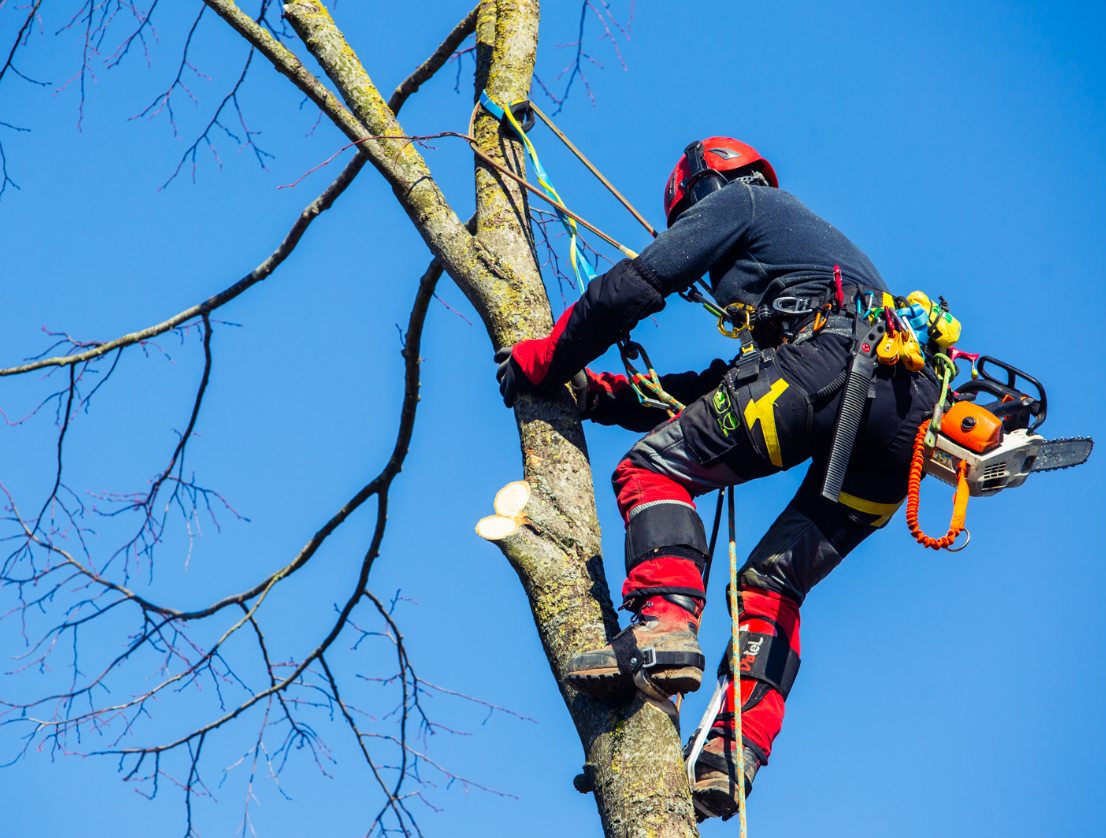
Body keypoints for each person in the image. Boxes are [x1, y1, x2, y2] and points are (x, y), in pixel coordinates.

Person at [494, 137, 941, 821]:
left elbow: (630, 288)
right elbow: (736, 389)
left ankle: (664, 624)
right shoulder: (818, 263)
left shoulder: (741, 203)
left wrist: (545, 362)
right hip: (901, 415)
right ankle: (730, 755)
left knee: (652, 468)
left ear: (702, 191)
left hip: (828, 368)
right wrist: (602, 394)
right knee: (771, 585)